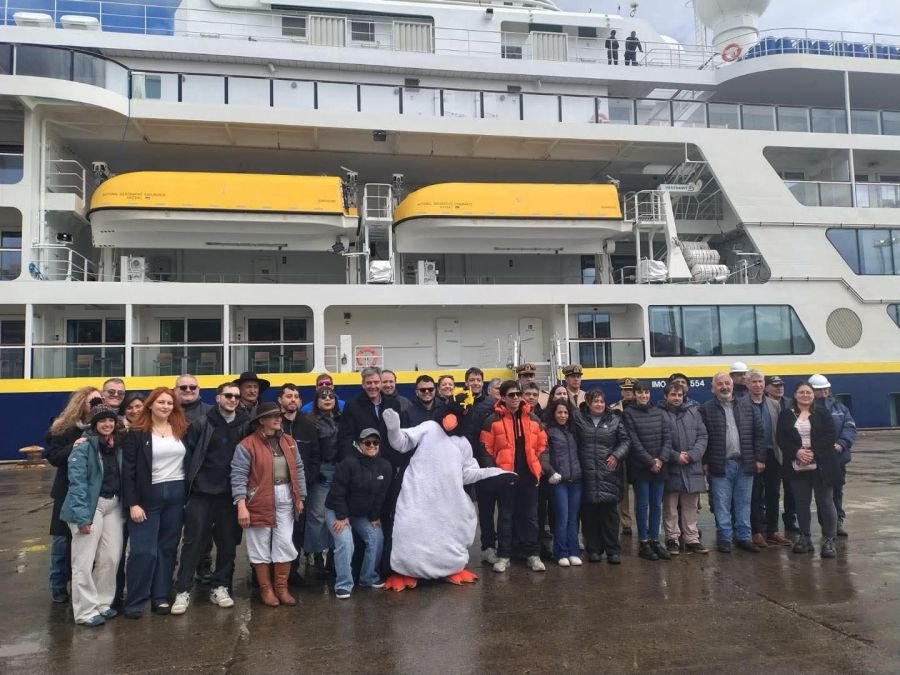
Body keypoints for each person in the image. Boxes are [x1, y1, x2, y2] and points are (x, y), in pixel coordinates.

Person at [170, 382, 249, 615]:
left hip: (229, 495)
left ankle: (220, 586)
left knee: (227, 543)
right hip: (202, 493)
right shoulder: (201, 424)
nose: (233, 400)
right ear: (218, 398)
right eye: (228, 396)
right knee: (193, 542)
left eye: (236, 396)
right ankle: (183, 589)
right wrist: (190, 487)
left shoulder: (244, 425)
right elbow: (188, 458)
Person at [122, 387, 189, 617]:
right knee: (143, 551)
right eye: (161, 402)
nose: (166, 407)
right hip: (146, 498)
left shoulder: (181, 429)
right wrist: (132, 503)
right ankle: (135, 601)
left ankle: (160, 597)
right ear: (150, 405)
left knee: (167, 549)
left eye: (170, 403)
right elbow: (128, 472)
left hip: (176, 494)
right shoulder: (137, 433)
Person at [231, 402, 306, 607]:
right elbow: (238, 476)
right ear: (261, 421)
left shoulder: (289, 441)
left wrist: (300, 497)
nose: (278, 419)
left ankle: (281, 588)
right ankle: (266, 589)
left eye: (279, 416)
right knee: (259, 544)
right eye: (272, 416)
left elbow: (298, 469)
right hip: (258, 498)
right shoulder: (246, 445)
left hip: (286, 495)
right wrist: (241, 505)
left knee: (284, 542)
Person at [60, 405, 125, 627]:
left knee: (111, 557)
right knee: (83, 561)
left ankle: (103, 603)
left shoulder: (117, 446)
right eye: (102, 421)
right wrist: (82, 517)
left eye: (111, 420)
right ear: (94, 424)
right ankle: (85, 611)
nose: (107, 424)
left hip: (113, 504)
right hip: (89, 507)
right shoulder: (83, 447)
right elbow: (76, 484)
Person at [480, 380, 548, 573]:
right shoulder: (492, 420)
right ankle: (503, 556)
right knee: (505, 517)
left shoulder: (533, 419)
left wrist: (539, 467)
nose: (516, 398)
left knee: (532, 518)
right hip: (506, 477)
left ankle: (533, 555)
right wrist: (496, 473)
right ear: (502, 397)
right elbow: (486, 449)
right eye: (511, 395)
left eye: (518, 394)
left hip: (528, 476)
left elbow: (543, 446)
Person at [45, 386, 102, 603]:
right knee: (62, 540)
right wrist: (73, 446)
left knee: (86, 541)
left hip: (94, 492)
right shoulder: (63, 428)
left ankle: (81, 584)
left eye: (99, 401)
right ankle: (58, 585)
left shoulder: (102, 426)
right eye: (92, 402)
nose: (96, 405)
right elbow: (52, 456)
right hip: (66, 490)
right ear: (81, 404)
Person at [699, 373, 765, 554]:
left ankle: (744, 537)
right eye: (719, 384)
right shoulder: (706, 409)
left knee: (744, 502)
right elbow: (703, 438)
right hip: (720, 464)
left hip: (745, 463)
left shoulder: (747, 406)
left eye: (727, 383)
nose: (724, 387)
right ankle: (725, 538)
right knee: (722, 503)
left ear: (732, 385)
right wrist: (705, 462)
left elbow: (759, 434)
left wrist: (759, 458)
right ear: (713, 388)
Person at [324, 428, 392, 599]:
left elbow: (381, 495)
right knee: (346, 542)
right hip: (337, 510)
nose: (371, 446)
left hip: (361, 513)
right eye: (367, 442)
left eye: (375, 442)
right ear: (359, 444)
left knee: (377, 537)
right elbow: (337, 491)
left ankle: (368, 577)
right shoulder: (348, 463)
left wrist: (375, 516)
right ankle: (344, 584)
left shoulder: (385, 466)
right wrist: (341, 516)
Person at [776, 382, 840, 558]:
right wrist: (796, 451)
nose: (805, 395)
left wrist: (813, 453)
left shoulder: (823, 413)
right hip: (797, 466)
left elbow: (829, 436)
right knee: (801, 503)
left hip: (822, 465)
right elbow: (781, 438)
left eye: (809, 392)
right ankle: (805, 537)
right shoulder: (785, 415)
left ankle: (828, 539)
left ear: (813, 395)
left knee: (825, 502)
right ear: (795, 395)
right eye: (801, 392)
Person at [575, 390, 629, 564]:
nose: (598, 404)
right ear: (588, 403)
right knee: (589, 515)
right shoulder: (579, 419)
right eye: (595, 401)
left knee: (610, 516)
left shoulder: (614, 419)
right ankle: (594, 549)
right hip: (587, 473)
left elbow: (625, 441)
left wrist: (616, 455)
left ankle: (613, 550)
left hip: (609, 474)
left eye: (601, 401)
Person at [623, 380, 673, 561]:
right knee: (642, 505)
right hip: (641, 467)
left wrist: (661, 459)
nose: (643, 396)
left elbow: (667, 438)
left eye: (646, 392)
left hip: (660, 466)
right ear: (634, 394)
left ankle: (655, 540)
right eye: (640, 392)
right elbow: (633, 441)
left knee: (656, 505)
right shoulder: (629, 414)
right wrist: (650, 461)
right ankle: (643, 541)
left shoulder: (659, 413)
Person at [278, 383, 321, 585]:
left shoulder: (308, 426)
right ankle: (268, 572)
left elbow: (315, 456)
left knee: (297, 529)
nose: (292, 400)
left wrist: (308, 480)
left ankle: (292, 571)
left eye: (296, 396)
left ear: (301, 401)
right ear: (280, 400)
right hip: (276, 486)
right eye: (288, 396)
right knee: (275, 530)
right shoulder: (274, 424)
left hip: (301, 489)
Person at [659, 383, 709, 555]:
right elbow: (658, 440)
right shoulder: (660, 414)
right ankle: (672, 538)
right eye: (673, 395)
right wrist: (675, 456)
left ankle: (691, 538)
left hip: (691, 466)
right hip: (671, 466)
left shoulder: (694, 412)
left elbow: (703, 436)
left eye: (680, 395)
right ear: (666, 396)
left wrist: (693, 454)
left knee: (691, 506)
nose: (677, 398)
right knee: (670, 507)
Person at [747, 370, 793, 547]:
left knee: (774, 493)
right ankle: (757, 531)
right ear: (748, 385)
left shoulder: (774, 404)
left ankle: (773, 531)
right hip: (753, 456)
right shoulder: (743, 404)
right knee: (755, 495)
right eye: (755, 382)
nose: (757, 385)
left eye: (760, 382)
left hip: (773, 454)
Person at [809, 374, 856, 538]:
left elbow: (849, 427)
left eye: (825, 389)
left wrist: (841, 444)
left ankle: (838, 522)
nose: (823, 392)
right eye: (819, 389)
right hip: (817, 459)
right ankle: (827, 524)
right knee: (823, 495)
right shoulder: (808, 408)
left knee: (837, 491)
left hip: (838, 458)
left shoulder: (839, 407)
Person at [304, 386, 341, 578]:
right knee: (317, 515)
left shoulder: (342, 420)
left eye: (331, 396)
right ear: (317, 401)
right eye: (323, 396)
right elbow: (311, 450)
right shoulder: (310, 421)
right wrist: (314, 471)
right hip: (322, 470)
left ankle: (332, 554)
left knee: (334, 517)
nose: (327, 399)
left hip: (339, 470)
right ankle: (314, 552)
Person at [541, 400, 583, 567]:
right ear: (553, 413)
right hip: (558, 481)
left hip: (576, 480)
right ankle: (561, 552)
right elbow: (542, 454)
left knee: (573, 518)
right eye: (559, 412)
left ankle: (574, 551)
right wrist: (550, 472)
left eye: (566, 413)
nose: (563, 416)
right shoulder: (548, 431)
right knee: (562, 517)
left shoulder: (573, 431)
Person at [467, 377, 504, 564]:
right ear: (489, 391)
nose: (500, 391)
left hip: (499, 466)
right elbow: (475, 436)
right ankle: (491, 546)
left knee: (498, 511)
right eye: (497, 388)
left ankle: (494, 546)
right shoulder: (484, 408)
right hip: (487, 466)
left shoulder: (508, 409)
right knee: (489, 510)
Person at [766, 375, 797, 532]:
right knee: (773, 491)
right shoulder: (763, 404)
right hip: (772, 454)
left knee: (791, 490)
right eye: (775, 385)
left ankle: (790, 521)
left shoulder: (791, 403)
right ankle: (771, 524)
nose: (779, 388)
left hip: (790, 453)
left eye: (781, 385)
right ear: (767, 388)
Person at [610, 377, 636, 535]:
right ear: (621, 391)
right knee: (623, 489)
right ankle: (626, 522)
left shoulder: (643, 408)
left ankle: (642, 522)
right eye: (625, 390)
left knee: (640, 491)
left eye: (631, 390)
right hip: (623, 453)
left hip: (639, 454)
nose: (628, 393)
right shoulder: (613, 409)